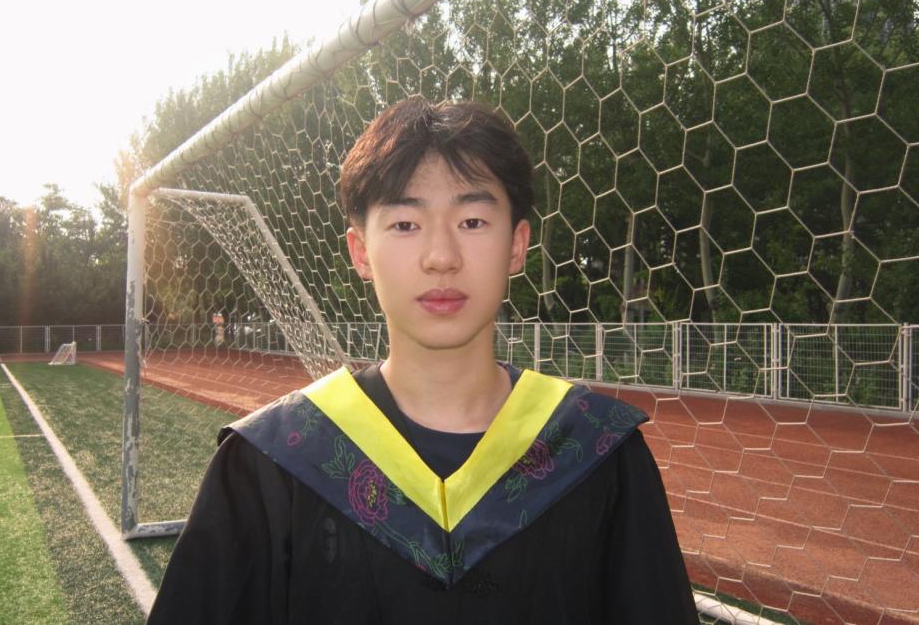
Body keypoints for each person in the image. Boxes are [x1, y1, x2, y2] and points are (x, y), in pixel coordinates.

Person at [147, 98, 698, 624]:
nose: (441, 257)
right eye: (405, 224)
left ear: (516, 244)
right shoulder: (270, 465)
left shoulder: (598, 455)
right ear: (361, 251)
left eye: (473, 221)